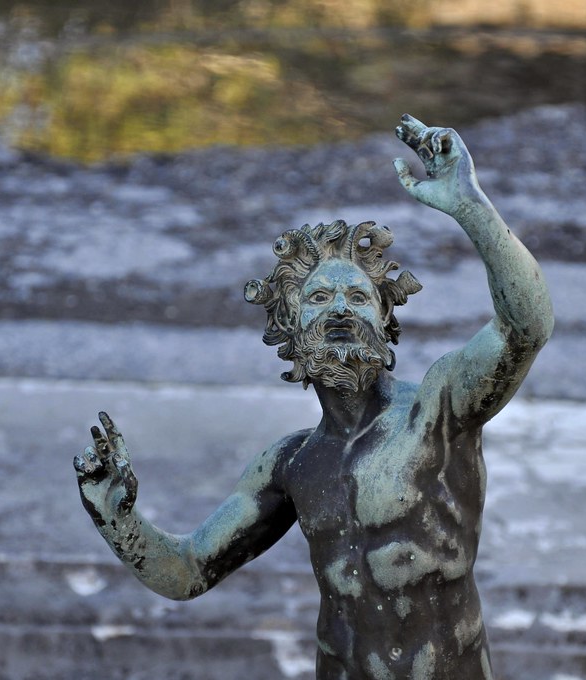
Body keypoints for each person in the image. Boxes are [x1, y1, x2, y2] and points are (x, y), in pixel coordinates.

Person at [74, 114, 554, 679]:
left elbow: (526, 326)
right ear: (289, 326)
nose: (340, 309)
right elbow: (184, 572)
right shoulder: (290, 465)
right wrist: (115, 517)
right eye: (319, 296)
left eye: (357, 295)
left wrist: (470, 205)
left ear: (385, 317)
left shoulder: (437, 412)